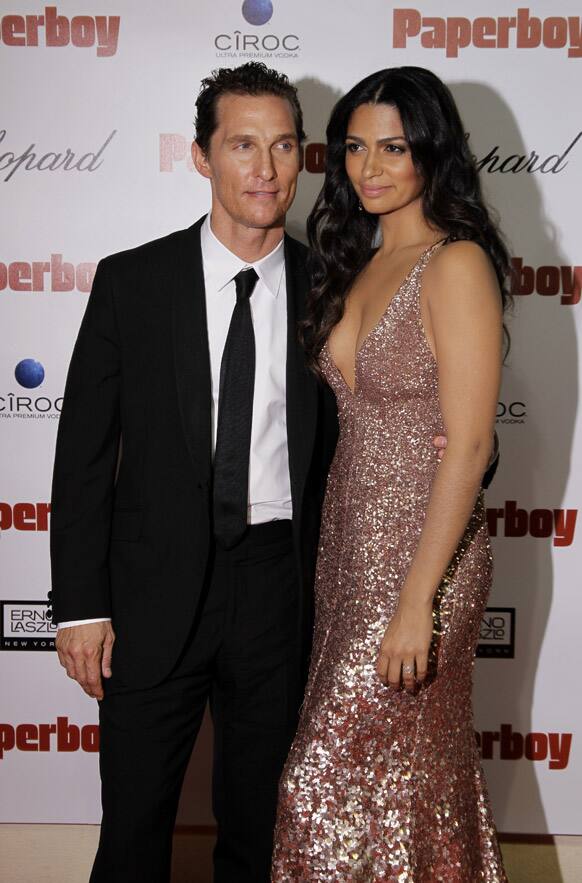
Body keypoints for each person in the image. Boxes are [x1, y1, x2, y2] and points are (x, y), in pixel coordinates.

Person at [49, 62, 461, 882]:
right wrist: (80, 605)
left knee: (260, 832)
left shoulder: (334, 286)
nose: (265, 170)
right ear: (202, 157)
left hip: (279, 586)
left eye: (282, 146)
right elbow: (84, 455)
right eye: (242, 145)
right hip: (151, 585)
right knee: (132, 829)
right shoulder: (133, 282)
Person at [272, 66, 509, 881]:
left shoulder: (457, 265)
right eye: (354, 148)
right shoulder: (360, 261)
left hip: (422, 560)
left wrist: (417, 602)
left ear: (431, 153)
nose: (369, 167)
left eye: (394, 147)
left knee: (320, 784)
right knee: (401, 787)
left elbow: (471, 445)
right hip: (348, 551)